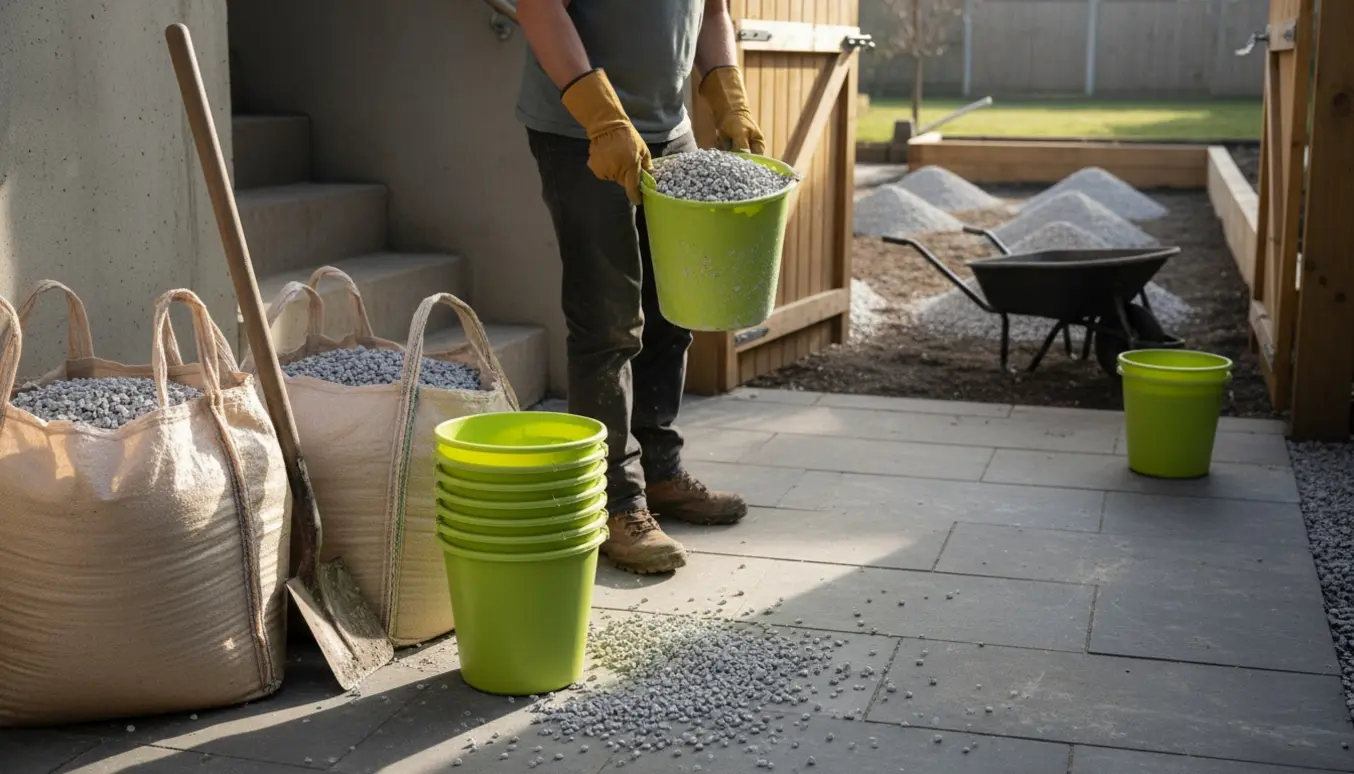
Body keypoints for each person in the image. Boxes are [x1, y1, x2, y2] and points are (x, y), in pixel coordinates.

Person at [515, 0, 765, 574]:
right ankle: (614, 502)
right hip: (582, 130)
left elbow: (714, 11)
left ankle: (659, 470)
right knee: (608, 324)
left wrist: (728, 94)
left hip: (670, 131)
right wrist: (603, 119)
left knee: (672, 309)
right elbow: (539, 9)